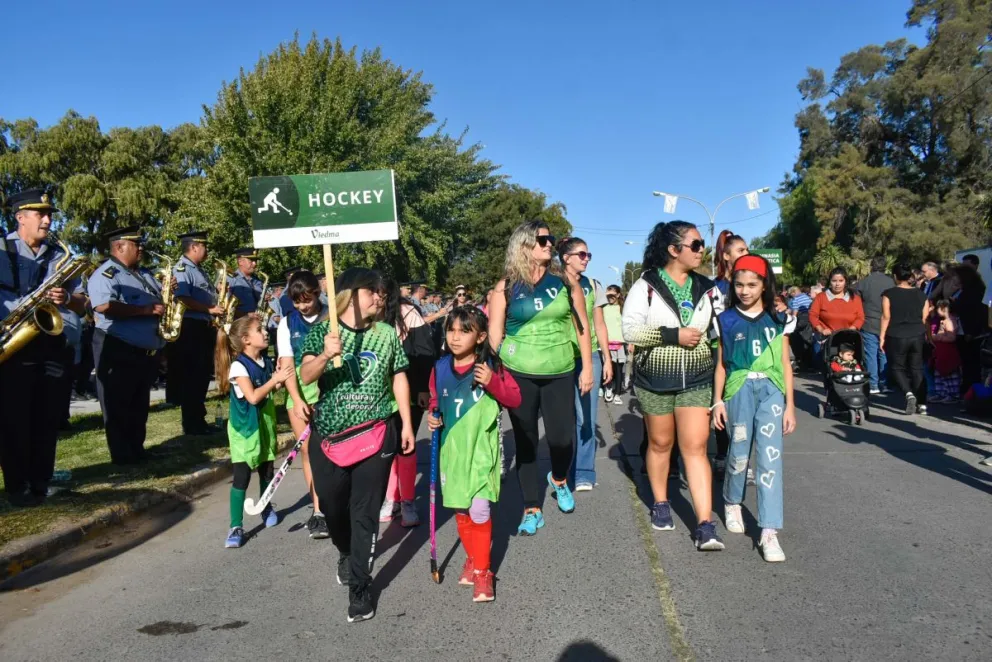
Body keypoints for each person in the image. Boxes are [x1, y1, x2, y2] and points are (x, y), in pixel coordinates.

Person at [299, 267, 416, 624]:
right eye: (372, 292)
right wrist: (325, 354)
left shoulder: (386, 334)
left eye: (382, 293)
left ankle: (360, 589)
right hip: (330, 437)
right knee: (334, 509)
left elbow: (398, 376)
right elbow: (305, 374)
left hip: (377, 432)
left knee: (364, 512)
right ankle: (345, 551)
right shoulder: (322, 331)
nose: (379, 298)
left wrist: (407, 422)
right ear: (350, 294)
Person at [621, 221, 726, 550]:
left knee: (695, 447)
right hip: (655, 380)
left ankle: (705, 524)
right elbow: (630, 330)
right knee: (661, 444)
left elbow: (720, 331)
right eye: (695, 245)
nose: (701, 251)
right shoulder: (646, 286)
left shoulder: (709, 288)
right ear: (673, 250)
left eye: (702, 245)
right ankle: (662, 502)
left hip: (697, 379)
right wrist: (671, 335)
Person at [487, 221, 592, 535]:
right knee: (527, 441)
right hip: (519, 373)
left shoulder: (565, 283)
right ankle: (531, 507)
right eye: (542, 239)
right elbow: (494, 334)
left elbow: (582, 327)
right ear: (524, 245)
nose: (550, 244)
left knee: (562, 439)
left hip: (560, 371)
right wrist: (499, 366)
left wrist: (587, 366)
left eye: (551, 239)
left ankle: (558, 479)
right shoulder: (504, 286)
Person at [427, 306, 521, 602]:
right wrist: (433, 416)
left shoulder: (491, 366)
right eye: (451, 330)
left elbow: (515, 398)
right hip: (451, 451)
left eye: (464, 331)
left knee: (479, 509)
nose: (455, 337)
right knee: (460, 509)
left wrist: (492, 382)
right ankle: (473, 557)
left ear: (480, 337)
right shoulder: (440, 367)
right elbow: (435, 399)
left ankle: (483, 572)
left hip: (482, 451)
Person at [0, 189, 87, 507]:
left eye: (50, 214)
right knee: (14, 419)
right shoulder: (1, 250)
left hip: (50, 343)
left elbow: (84, 303)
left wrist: (68, 299)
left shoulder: (60, 256)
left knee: (46, 418)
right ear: (20, 217)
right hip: (10, 344)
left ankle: (41, 482)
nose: (48, 221)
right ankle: (16, 486)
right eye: (41, 214)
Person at [712, 254, 796, 562]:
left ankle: (769, 530)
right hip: (738, 389)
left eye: (752, 284)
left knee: (769, 459)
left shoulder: (779, 318)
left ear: (764, 285)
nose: (745, 291)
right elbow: (721, 365)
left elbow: (786, 364)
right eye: (739, 285)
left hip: (771, 390)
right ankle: (732, 500)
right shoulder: (725, 320)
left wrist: (790, 406)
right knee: (738, 453)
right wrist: (717, 401)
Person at [87, 226, 167, 465]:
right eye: (136, 244)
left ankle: (136, 448)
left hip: (143, 349)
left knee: (138, 403)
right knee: (118, 403)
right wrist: (145, 310)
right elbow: (103, 306)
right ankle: (122, 455)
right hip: (117, 346)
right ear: (119, 246)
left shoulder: (143, 274)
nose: (141, 248)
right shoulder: (107, 273)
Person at [216, 315, 294, 548]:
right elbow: (253, 396)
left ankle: (265, 506)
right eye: (260, 330)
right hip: (245, 430)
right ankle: (236, 525)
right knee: (242, 476)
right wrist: (275, 380)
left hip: (265, 424)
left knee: (267, 469)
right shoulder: (239, 365)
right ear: (245, 340)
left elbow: (272, 388)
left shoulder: (264, 360)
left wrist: (279, 377)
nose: (266, 332)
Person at [378, 277, 436, 527]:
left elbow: (424, 351)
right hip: (379, 394)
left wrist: (423, 388)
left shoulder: (408, 313)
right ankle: (392, 498)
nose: (375, 297)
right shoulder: (366, 315)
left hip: (409, 389)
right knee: (386, 446)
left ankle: (408, 500)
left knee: (406, 443)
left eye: (380, 292)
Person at [275, 270, 328, 539]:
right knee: (309, 451)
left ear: (317, 293)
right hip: (300, 390)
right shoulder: (287, 324)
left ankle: (337, 503)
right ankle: (319, 511)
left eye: (306, 300)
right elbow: (286, 367)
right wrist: (297, 400)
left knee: (333, 449)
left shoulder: (333, 316)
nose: (302, 306)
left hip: (330, 388)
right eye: (297, 302)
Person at [557, 236, 612, 491]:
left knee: (586, 418)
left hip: (588, 356)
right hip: (560, 357)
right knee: (562, 419)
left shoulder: (593, 285)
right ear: (566, 257)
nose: (586, 259)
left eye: (588, 255)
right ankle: (562, 471)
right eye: (582, 254)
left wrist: (606, 358)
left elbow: (599, 323)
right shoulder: (553, 283)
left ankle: (584, 473)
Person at [169, 230, 225, 435]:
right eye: (204, 246)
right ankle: (192, 423)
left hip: (202, 326)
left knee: (201, 376)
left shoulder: (198, 270)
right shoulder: (183, 268)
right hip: (191, 327)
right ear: (194, 247)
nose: (207, 250)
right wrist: (209, 310)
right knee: (192, 376)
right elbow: (182, 298)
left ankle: (198, 419)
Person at [880, 265, 929, 416]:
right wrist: (928, 336)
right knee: (917, 368)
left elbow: (886, 316)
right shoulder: (921, 295)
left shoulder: (889, 294)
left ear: (895, 276)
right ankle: (922, 404)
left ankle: (908, 394)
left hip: (897, 334)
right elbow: (925, 318)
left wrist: (882, 336)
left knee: (896, 367)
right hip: (917, 334)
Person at [809, 266, 864, 369]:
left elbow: (860, 317)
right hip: (828, 339)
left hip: (848, 338)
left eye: (840, 281)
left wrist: (853, 328)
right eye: (834, 281)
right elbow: (813, 315)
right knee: (830, 368)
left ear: (845, 281)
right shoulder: (821, 297)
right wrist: (821, 329)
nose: (837, 284)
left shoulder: (855, 298)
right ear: (830, 281)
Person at [856, 256, 895, 395]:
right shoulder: (891, 282)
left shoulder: (863, 283)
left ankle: (873, 384)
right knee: (883, 352)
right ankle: (884, 382)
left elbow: (857, 302)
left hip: (868, 322)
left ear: (872, 266)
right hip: (887, 321)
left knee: (870, 354)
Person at [929, 299, 962, 403]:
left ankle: (952, 394)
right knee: (939, 373)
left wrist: (937, 337)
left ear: (943, 309)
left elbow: (951, 337)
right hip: (941, 351)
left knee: (949, 373)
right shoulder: (943, 321)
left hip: (948, 351)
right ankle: (941, 393)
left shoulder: (950, 321)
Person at [603, 284, 628, 405]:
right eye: (608, 295)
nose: (610, 297)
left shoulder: (623, 308)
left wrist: (631, 343)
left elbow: (628, 326)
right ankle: (608, 389)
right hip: (607, 343)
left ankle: (617, 393)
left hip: (620, 344)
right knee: (609, 368)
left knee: (619, 370)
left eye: (613, 294)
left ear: (618, 295)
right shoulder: (603, 308)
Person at [227, 247, 265, 319]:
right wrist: (246, 315)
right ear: (240, 261)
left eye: (256, 260)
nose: (255, 264)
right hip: (238, 325)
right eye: (251, 260)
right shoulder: (230, 279)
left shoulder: (258, 281)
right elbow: (225, 307)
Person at [713, 230, 748, 299]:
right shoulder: (714, 288)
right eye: (741, 250)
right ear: (726, 256)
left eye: (747, 250)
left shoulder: (754, 282)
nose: (746, 254)